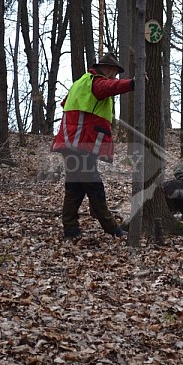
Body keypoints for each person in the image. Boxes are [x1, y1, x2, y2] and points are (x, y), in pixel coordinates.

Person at [51, 52, 135, 242]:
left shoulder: (81, 83)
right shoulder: (97, 82)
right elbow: (109, 86)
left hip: (71, 144)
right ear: (106, 69)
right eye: (113, 72)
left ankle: (71, 229)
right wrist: (132, 83)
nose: (114, 77)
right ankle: (112, 229)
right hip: (80, 145)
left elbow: (66, 103)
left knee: (75, 188)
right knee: (95, 187)